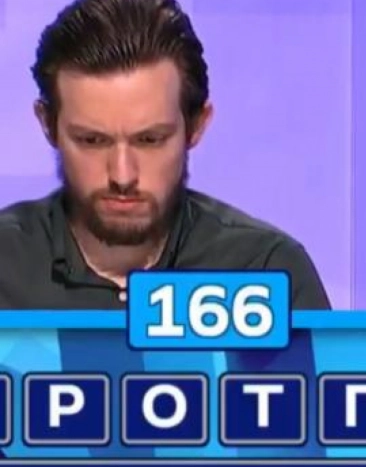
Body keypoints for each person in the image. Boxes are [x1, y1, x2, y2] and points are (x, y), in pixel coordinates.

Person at [0, 0, 331, 311]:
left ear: (196, 126)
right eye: (92, 140)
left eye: (149, 140)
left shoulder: (265, 270)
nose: (122, 175)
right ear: (48, 125)